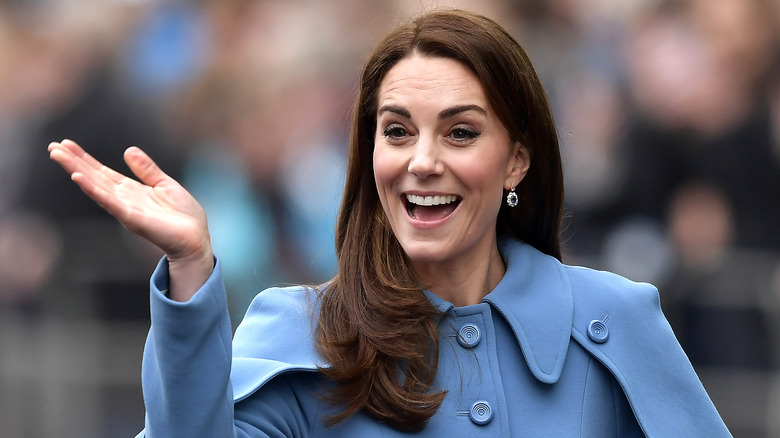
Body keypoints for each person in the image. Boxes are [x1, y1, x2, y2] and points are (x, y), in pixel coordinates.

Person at [48, 9, 731, 438]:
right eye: (397, 131)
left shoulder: (616, 321)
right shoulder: (299, 335)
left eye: (460, 133)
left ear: (517, 160)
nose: (422, 162)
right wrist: (193, 270)